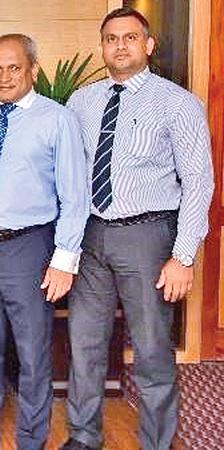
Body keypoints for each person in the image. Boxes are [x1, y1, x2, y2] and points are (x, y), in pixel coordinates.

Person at [61, 8, 213, 450]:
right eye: (111, 38)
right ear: (102, 46)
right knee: (85, 346)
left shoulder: (177, 103)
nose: (120, 45)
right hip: (90, 237)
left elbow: (199, 181)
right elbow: (68, 177)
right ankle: (84, 438)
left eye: (130, 37)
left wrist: (183, 256)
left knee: (151, 352)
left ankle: (157, 443)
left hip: (147, 238)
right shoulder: (81, 102)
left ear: (148, 45)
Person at [0, 34, 88, 450]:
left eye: (14, 67)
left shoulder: (56, 119)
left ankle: (31, 441)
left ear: (33, 70)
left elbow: (75, 196)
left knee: (32, 353)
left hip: (29, 248)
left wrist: (64, 260)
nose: (4, 76)